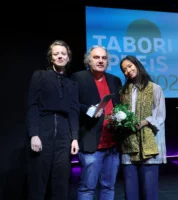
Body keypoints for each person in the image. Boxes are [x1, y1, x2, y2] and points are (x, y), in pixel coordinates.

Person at [26, 40, 79, 200]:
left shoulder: (72, 84)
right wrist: (34, 134)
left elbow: (74, 112)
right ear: (51, 57)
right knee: (38, 184)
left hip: (64, 138)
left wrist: (75, 138)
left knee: (61, 185)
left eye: (63, 54)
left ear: (68, 58)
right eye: (56, 54)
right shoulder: (40, 76)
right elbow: (32, 105)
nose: (60, 56)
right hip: (43, 133)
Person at [70, 45, 122, 200]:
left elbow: (119, 105)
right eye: (96, 57)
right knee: (87, 188)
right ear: (88, 60)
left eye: (104, 58)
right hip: (91, 142)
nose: (100, 61)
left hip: (112, 144)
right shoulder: (78, 78)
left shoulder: (115, 80)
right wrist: (89, 110)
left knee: (108, 186)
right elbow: (72, 104)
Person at [119, 55, 167, 200]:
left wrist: (145, 122)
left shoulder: (155, 88)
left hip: (149, 145)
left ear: (137, 65)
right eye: (124, 69)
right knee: (131, 192)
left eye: (130, 66)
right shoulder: (123, 91)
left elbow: (160, 115)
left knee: (149, 192)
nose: (128, 70)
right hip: (129, 145)